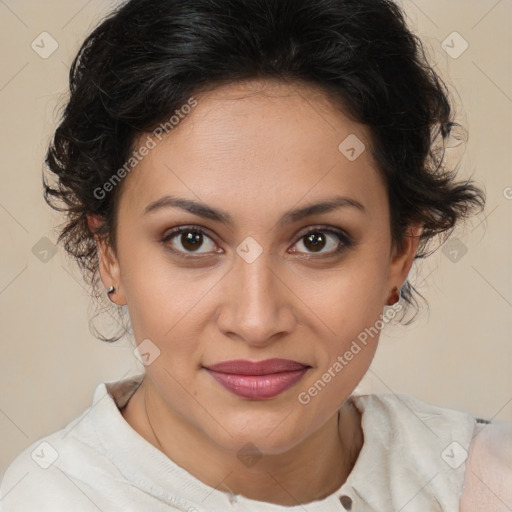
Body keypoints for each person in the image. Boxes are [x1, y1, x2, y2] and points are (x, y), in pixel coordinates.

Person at [1, 0, 511, 510]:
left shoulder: (478, 477)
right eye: (192, 240)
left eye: (318, 240)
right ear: (109, 254)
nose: (256, 321)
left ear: (399, 252)